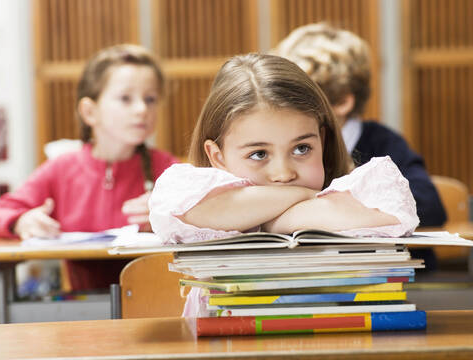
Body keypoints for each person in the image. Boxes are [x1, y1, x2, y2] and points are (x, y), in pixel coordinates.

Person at [148, 53, 419, 316]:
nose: (283, 174)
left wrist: (267, 218)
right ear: (218, 157)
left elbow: (393, 214)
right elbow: (177, 212)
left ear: (321, 141)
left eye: (302, 148)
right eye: (259, 154)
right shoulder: (191, 191)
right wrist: (304, 196)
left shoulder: (366, 187)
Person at [0, 44, 178, 291]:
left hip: (158, 304)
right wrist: (21, 221)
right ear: (90, 111)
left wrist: (172, 213)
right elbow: (0, 211)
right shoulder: (61, 169)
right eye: (125, 98)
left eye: (150, 99)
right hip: (83, 310)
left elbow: (213, 217)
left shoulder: (169, 169)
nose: (142, 109)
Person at [272, 23, 446, 228]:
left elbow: (430, 205)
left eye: (300, 99)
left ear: (342, 102)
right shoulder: (280, 152)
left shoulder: (384, 144)